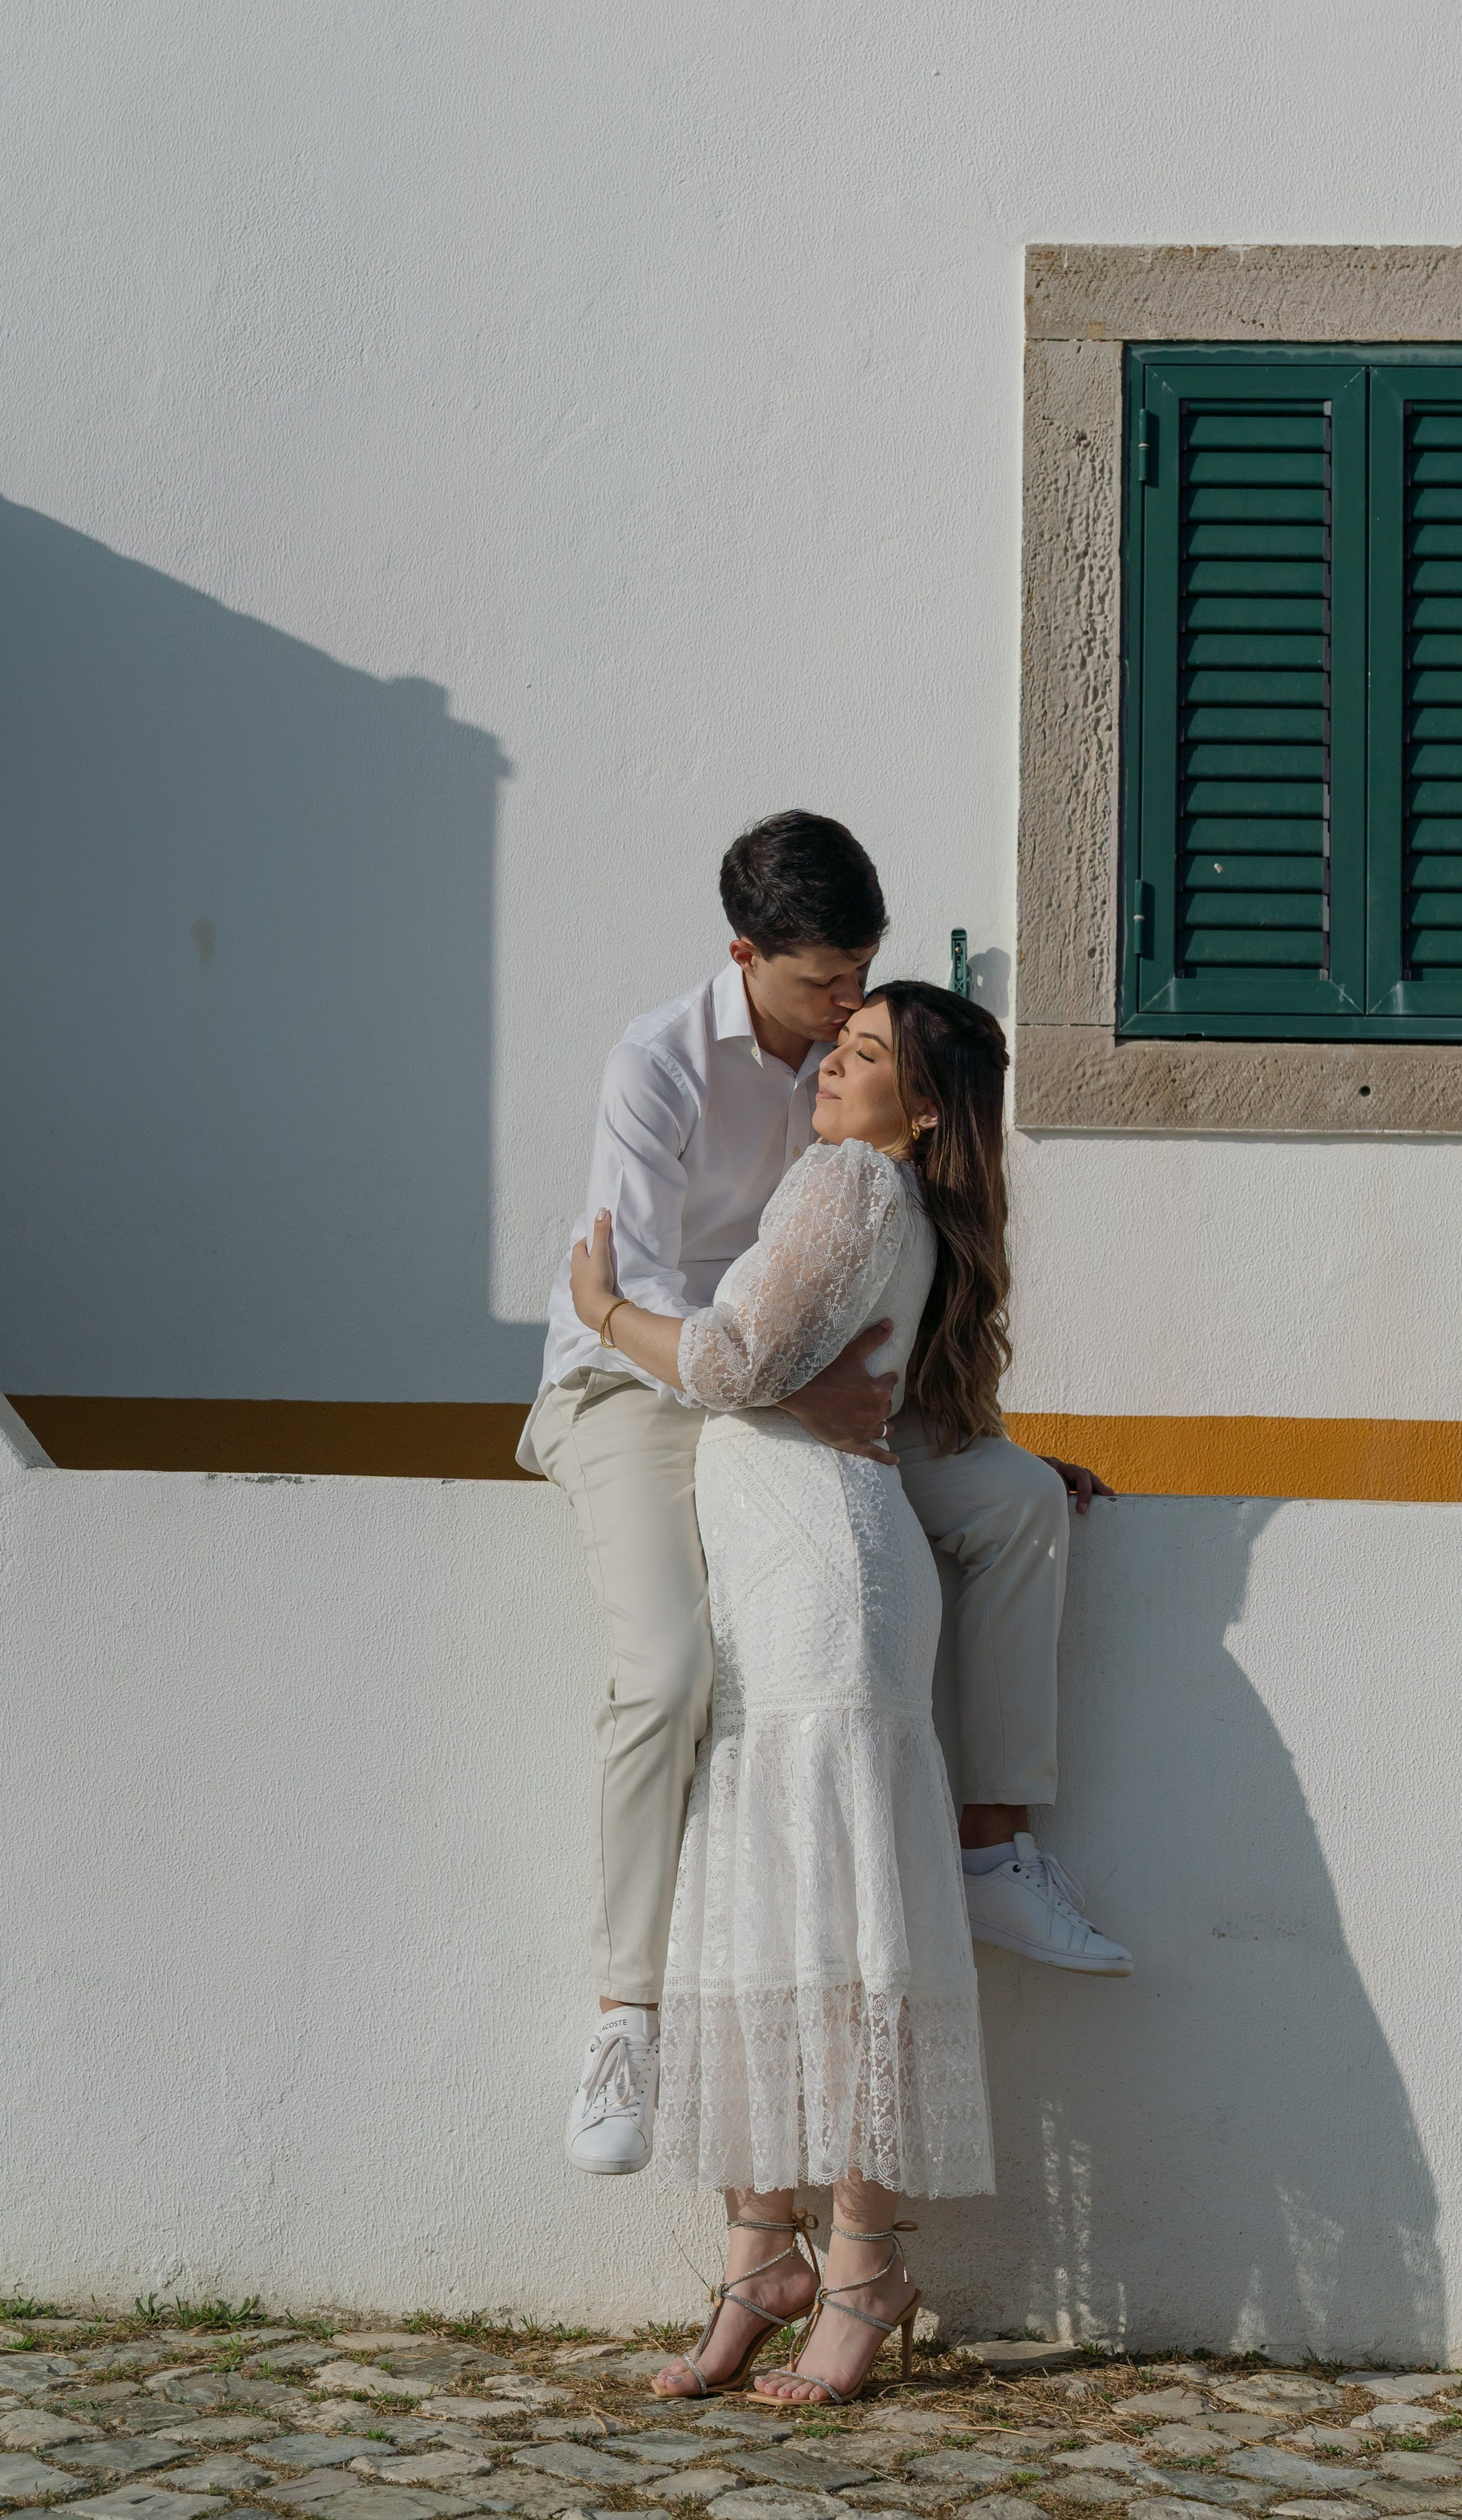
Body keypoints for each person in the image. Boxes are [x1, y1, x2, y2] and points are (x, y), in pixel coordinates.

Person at [519, 812, 1127, 2186]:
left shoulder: (858, 1083)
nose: (850, 1005)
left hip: (816, 1406)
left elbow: (870, 1285)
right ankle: (627, 2014)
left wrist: (968, 1429)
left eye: (864, 976)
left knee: (1019, 1500)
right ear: (745, 954)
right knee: (670, 1670)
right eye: (822, 986)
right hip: (636, 1389)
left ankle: (990, 1843)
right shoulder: (657, 1066)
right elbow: (636, 1294)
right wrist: (781, 1393)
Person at [567, 981, 1012, 2403]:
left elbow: (729, 1357)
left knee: (833, 1943)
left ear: (923, 1107)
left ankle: (864, 2264)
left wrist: (602, 1310)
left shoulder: (844, 1177)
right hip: (802, 1575)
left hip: (822, 1581)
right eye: (844, 1036)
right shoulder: (898, 1200)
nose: (834, 1061)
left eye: (869, 1053)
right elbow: (792, 1372)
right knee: (780, 1923)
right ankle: (767, 2251)